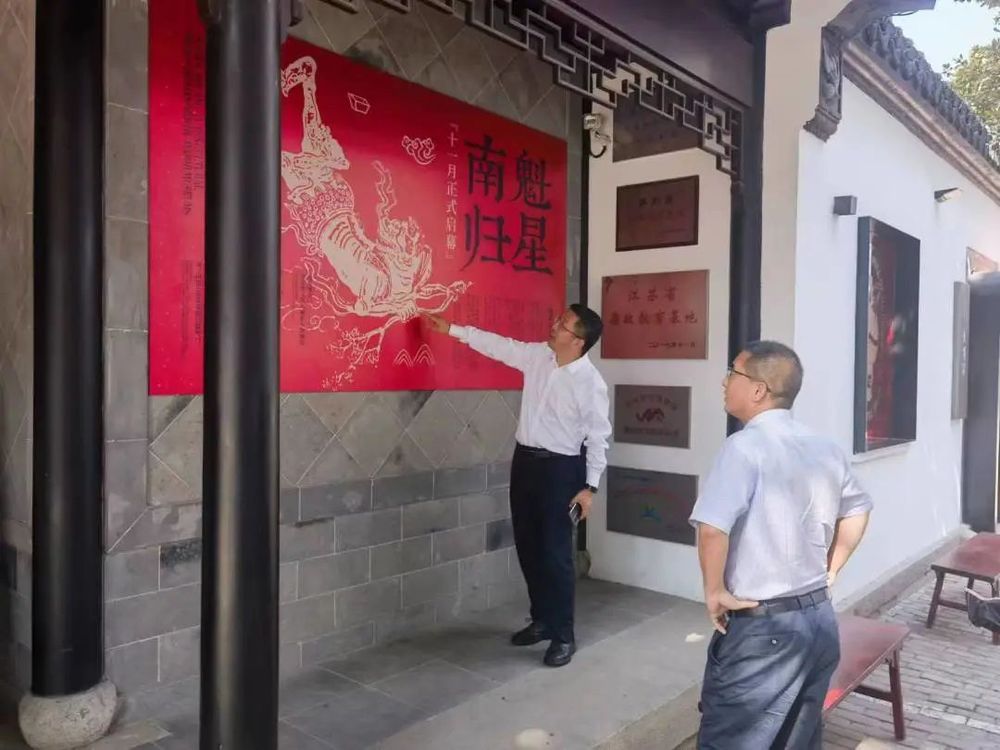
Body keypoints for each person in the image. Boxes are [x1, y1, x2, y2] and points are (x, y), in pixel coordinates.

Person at [689, 341, 873, 749]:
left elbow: (713, 528)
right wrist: (832, 570)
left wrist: (714, 592)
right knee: (796, 740)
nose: (724, 381)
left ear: (759, 389)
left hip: (764, 632)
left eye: (732, 372)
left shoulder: (743, 447)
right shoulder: (825, 447)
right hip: (818, 622)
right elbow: (858, 510)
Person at [423, 305, 611, 667]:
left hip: (561, 470)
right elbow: (499, 345)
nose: (553, 326)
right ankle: (541, 620)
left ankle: (563, 635)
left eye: (562, 325)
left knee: (555, 553)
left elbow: (599, 437)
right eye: (557, 320)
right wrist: (453, 330)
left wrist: (590, 487)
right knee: (528, 545)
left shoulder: (590, 383)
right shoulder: (539, 357)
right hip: (526, 463)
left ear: (578, 341)